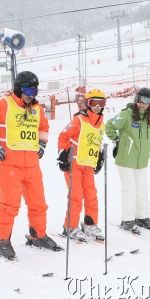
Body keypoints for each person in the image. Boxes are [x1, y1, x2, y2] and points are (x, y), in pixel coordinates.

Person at [0, 71, 62, 260]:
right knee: (9, 205)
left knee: (39, 204)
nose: (32, 94)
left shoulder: (37, 109)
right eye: (28, 90)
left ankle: (37, 235)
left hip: (32, 165)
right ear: (18, 89)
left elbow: (44, 127)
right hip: (9, 165)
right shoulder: (3, 104)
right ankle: (1, 241)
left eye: (35, 90)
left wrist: (42, 143)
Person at [105, 88, 150, 234]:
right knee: (129, 189)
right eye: (140, 100)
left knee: (142, 189)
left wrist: (142, 146)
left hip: (142, 160)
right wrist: (116, 141)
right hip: (126, 159)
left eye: (146, 101)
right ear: (136, 99)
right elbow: (109, 125)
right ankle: (127, 219)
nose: (142, 104)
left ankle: (142, 217)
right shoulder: (126, 114)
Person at [57, 89, 106, 242]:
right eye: (93, 103)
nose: (97, 107)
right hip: (74, 164)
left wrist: (98, 158)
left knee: (91, 195)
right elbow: (63, 136)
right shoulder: (79, 120)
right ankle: (70, 226)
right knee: (76, 196)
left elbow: (96, 143)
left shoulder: (101, 124)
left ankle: (90, 223)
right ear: (87, 104)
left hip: (88, 165)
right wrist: (62, 155)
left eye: (100, 103)